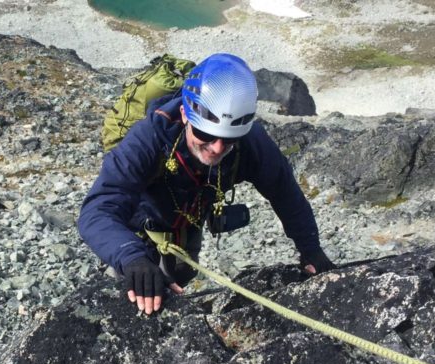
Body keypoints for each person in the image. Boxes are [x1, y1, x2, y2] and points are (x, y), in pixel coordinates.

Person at [78, 53, 336, 315]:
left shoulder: (252, 142)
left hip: (187, 230)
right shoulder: (150, 138)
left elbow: (285, 194)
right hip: (136, 231)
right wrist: (131, 258)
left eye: (229, 139)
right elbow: (97, 209)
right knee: (131, 300)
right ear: (185, 114)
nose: (217, 148)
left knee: (181, 275)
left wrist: (310, 248)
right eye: (205, 134)